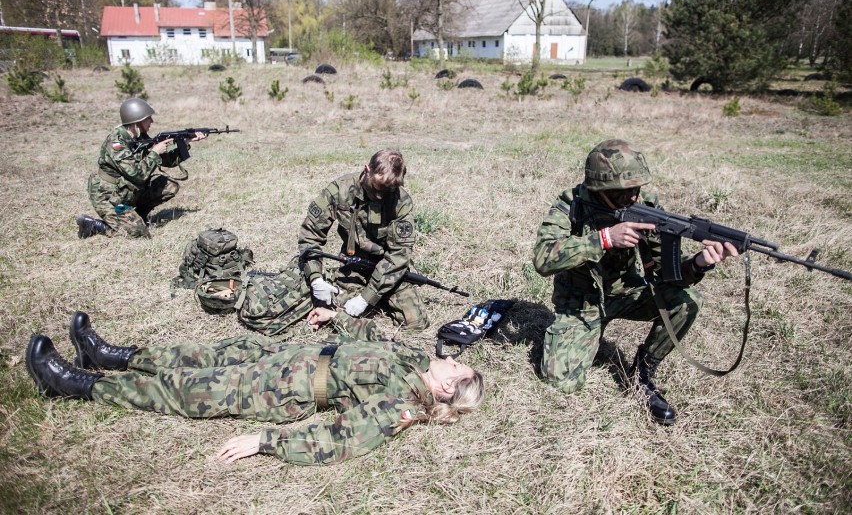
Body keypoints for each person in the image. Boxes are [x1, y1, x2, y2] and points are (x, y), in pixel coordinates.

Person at [25, 309, 483, 465]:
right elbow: (368, 338)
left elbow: (340, 440)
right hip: (292, 353)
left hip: (285, 388)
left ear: (446, 391)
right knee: (204, 353)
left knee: (187, 390)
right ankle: (112, 356)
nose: (453, 359)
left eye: (457, 370)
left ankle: (76, 384)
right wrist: (337, 318)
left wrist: (265, 441)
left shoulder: (404, 403)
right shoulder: (415, 359)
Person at [532, 139, 738, 425]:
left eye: (636, 188)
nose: (633, 197)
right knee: (561, 382)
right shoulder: (571, 204)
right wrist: (604, 239)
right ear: (599, 187)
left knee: (687, 302)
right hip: (581, 303)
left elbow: (665, 274)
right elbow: (543, 259)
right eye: (624, 191)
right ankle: (582, 336)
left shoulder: (646, 205)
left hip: (625, 292)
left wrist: (699, 263)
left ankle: (642, 372)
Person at [299, 148, 429, 332]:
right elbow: (311, 234)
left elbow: (399, 254)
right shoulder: (339, 190)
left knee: (416, 323)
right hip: (353, 264)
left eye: (389, 189)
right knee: (333, 306)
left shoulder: (401, 201)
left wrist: (366, 297)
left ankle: (377, 295)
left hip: (388, 267)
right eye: (378, 186)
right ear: (367, 169)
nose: (381, 195)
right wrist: (315, 278)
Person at [76, 97, 207, 239]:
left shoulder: (140, 137)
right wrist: (155, 152)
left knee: (169, 186)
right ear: (136, 121)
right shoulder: (116, 143)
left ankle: (137, 215)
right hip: (108, 195)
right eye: (148, 118)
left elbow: (167, 161)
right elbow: (137, 174)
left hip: (128, 191)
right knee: (139, 234)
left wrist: (186, 143)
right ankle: (95, 226)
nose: (152, 121)